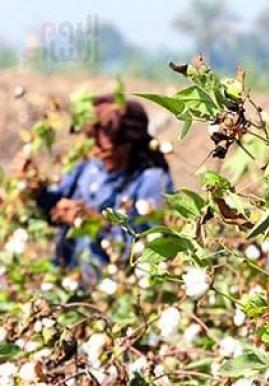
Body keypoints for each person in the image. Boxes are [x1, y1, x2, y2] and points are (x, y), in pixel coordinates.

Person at [13, 94, 174, 282]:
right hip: (70, 280)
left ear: (126, 142)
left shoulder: (151, 181)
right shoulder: (88, 168)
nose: (92, 141)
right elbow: (53, 209)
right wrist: (36, 188)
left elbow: (155, 249)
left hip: (112, 292)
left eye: (101, 135)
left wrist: (97, 223)